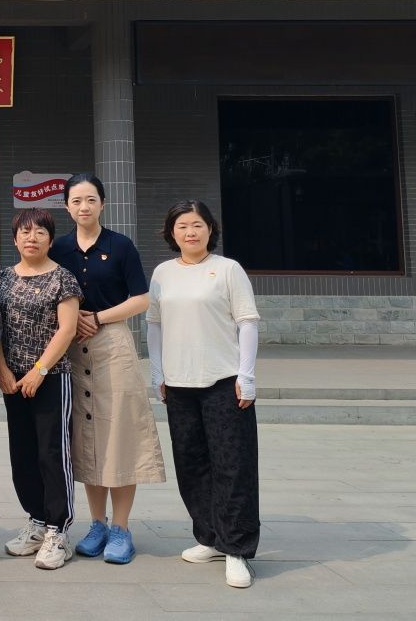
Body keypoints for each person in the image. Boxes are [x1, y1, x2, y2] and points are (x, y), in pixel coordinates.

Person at [50, 173, 166, 565]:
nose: (83, 207)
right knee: (87, 436)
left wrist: (97, 317)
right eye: (76, 201)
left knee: (119, 433)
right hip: (71, 346)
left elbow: (141, 299)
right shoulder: (59, 248)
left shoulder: (120, 245)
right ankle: (96, 524)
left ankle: (121, 528)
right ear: (66, 207)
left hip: (112, 343)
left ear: (103, 203)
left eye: (90, 200)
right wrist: (72, 322)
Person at [147, 200, 261, 589]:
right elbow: (154, 325)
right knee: (191, 463)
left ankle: (236, 548)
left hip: (224, 382)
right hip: (179, 385)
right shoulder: (162, 273)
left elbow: (247, 323)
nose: (190, 232)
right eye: (182, 226)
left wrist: (247, 375)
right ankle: (209, 537)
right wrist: (158, 372)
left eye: (197, 224)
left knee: (233, 465)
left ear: (210, 229)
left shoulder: (228, 270)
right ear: (171, 232)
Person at [0, 207, 81, 570]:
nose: (32, 238)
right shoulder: (2, 278)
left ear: (50, 239)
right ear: (15, 239)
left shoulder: (63, 278)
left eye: (40, 232)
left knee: (52, 453)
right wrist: (1, 369)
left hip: (51, 378)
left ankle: (58, 531)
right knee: (23, 453)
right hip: (12, 381)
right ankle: (37, 520)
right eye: (25, 232)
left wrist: (39, 371)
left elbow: (67, 330)